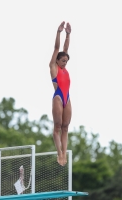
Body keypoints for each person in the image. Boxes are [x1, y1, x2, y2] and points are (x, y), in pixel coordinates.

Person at [49, 21, 72, 166]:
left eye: (66, 61)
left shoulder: (64, 67)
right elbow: (58, 48)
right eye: (63, 61)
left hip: (67, 97)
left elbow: (65, 49)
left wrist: (68, 35)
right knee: (57, 126)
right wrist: (58, 32)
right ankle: (59, 153)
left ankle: (65, 152)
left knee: (65, 127)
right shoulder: (53, 67)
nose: (65, 63)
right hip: (58, 96)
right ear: (57, 60)